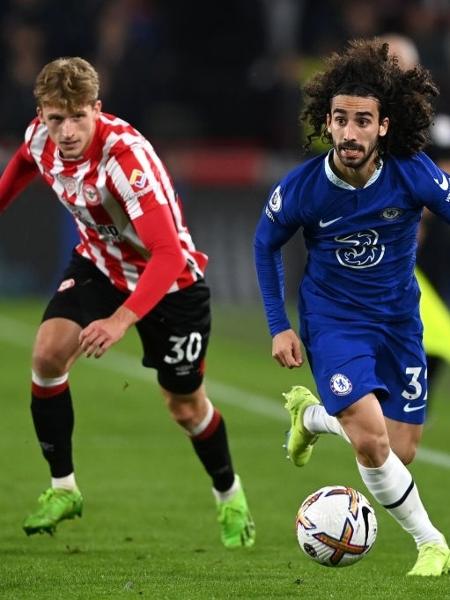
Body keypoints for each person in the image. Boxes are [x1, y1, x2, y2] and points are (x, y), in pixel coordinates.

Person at [0, 57, 255, 548]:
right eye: (57, 118)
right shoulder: (39, 137)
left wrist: (120, 322)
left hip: (171, 285)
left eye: (79, 117)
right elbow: (21, 166)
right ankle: (63, 488)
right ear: (43, 114)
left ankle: (229, 493)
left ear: (98, 108)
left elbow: (167, 254)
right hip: (100, 267)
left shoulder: (126, 161)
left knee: (184, 407)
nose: (67, 130)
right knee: (47, 355)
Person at [254, 38, 450, 576]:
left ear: (383, 126)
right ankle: (432, 543)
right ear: (328, 123)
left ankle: (311, 416)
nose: (350, 131)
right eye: (340, 119)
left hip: (399, 321)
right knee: (370, 440)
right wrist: (280, 326)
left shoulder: (412, 171)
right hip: (334, 321)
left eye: (363, 120)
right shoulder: (304, 187)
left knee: (400, 449)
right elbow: (265, 243)